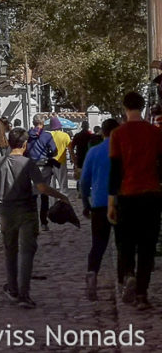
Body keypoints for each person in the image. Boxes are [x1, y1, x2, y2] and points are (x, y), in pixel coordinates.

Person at [0, 127, 71, 308]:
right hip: (27, 211)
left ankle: (12, 289)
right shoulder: (29, 164)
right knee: (27, 252)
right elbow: (42, 188)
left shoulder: (0, 163)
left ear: (9, 143)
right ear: (25, 144)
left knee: (10, 251)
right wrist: (61, 196)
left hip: (7, 212)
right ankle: (24, 294)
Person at [108, 91, 162, 308]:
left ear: (125, 107)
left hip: (127, 195)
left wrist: (111, 203)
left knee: (127, 242)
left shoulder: (118, 134)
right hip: (151, 194)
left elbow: (115, 171)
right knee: (148, 245)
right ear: (142, 106)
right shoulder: (155, 133)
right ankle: (141, 294)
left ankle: (128, 273)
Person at [80, 117, 119, 301]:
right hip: (121, 204)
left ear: (102, 132)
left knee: (98, 245)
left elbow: (84, 181)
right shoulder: (122, 150)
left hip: (99, 205)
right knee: (124, 244)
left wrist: (86, 204)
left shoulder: (94, 152)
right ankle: (126, 278)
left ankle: (92, 276)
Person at [24, 115, 58, 231]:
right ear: (43, 123)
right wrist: (49, 155)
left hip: (31, 167)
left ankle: (32, 221)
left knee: (32, 196)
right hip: (44, 167)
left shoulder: (27, 135)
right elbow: (54, 151)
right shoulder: (47, 136)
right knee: (44, 195)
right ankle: (43, 222)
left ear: (33, 123)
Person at [47, 116, 71, 191]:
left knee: (51, 187)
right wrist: (74, 161)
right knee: (63, 185)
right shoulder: (65, 135)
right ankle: (64, 201)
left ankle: (52, 202)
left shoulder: (47, 135)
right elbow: (70, 150)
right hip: (61, 162)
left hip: (49, 163)